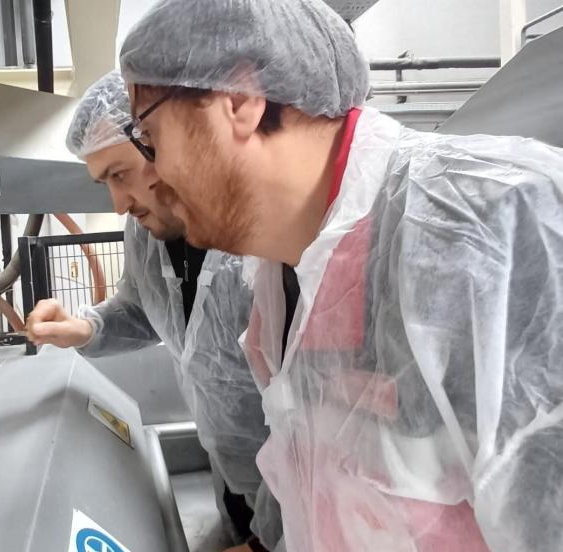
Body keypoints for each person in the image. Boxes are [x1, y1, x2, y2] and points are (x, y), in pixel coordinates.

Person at [118, 1, 563, 551]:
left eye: (149, 135)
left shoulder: (489, 222)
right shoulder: (277, 276)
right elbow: (312, 470)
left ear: (237, 100)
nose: (151, 176)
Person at [26, 71, 283, 552]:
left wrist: (271, 543)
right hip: (233, 475)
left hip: (303, 502)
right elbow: (144, 309)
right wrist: (84, 328)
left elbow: (323, 419)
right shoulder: (147, 232)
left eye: (119, 175)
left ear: (160, 143)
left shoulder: (266, 242)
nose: (118, 204)